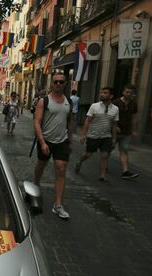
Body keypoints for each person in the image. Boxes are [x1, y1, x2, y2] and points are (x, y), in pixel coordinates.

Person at [34, 73, 72, 219]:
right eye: (55, 82)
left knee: (61, 169)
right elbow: (37, 122)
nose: (58, 84)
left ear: (65, 83)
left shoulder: (69, 101)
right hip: (46, 140)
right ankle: (36, 183)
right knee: (41, 165)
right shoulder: (44, 101)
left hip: (62, 141)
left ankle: (58, 205)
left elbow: (70, 121)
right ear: (51, 84)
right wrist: (42, 142)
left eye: (61, 82)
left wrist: (70, 139)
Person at [74, 87, 119, 182]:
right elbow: (87, 120)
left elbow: (114, 125)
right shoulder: (94, 106)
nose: (102, 94)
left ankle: (102, 175)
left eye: (105, 93)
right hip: (93, 136)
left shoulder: (115, 109)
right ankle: (80, 161)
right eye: (102, 92)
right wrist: (83, 135)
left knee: (104, 155)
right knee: (88, 154)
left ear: (111, 96)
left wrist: (114, 139)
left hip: (106, 137)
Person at [112, 84, 140, 179]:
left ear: (133, 94)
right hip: (115, 132)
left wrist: (134, 130)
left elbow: (134, 118)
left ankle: (125, 171)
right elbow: (110, 116)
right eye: (127, 92)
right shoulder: (116, 102)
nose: (128, 94)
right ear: (123, 92)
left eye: (131, 92)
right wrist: (114, 126)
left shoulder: (133, 104)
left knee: (124, 151)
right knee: (108, 150)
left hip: (126, 132)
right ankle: (104, 166)